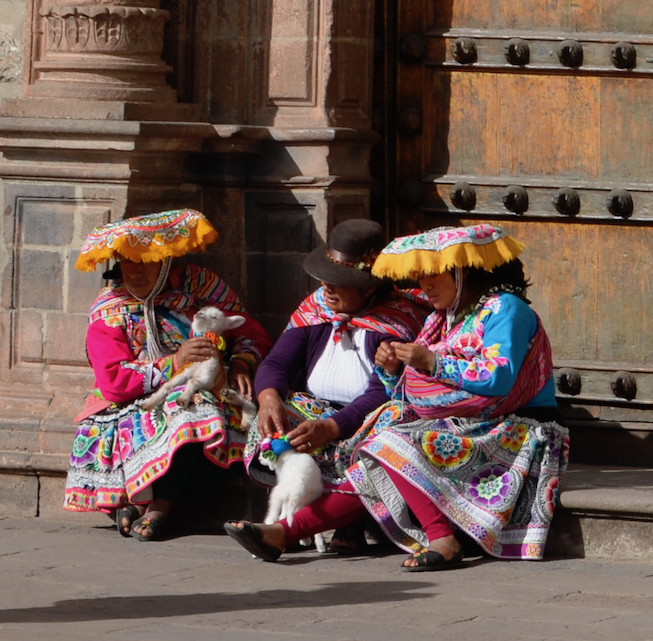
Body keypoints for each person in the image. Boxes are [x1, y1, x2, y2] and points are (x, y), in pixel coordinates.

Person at [225, 223, 568, 570]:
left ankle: (441, 539)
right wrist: (391, 370)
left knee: (390, 443)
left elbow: (498, 377)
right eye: (422, 277)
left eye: (434, 275)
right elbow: (406, 390)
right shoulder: (444, 318)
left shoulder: (506, 309)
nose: (424, 286)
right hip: (465, 422)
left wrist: (431, 361)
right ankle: (283, 532)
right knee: (382, 451)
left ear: (464, 271)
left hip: (514, 429)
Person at [64, 209, 271, 541]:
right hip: (133, 407)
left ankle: (138, 505)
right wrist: (175, 363)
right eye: (126, 262)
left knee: (257, 432)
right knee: (192, 409)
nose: (134, 272)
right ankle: (160, 507)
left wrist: (241, 363)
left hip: (212, 397)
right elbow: (114, 381)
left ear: (164, 261)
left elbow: (248, 331)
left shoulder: (200, 286)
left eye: (144, 262)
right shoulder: (110, 311)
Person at [244, 218, 425, 549]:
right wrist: (269, 397)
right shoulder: (317, 309)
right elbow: (278, 362)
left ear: (368, 286)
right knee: (278, 417)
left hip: (363, 419)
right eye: (325, 279)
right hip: (318, 413)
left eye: (338, 282)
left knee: (392, 424)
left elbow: (381, 391)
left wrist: (330, 428)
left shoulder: (398, 320)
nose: (326, 287)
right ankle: (301, 514)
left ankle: (352, 521)